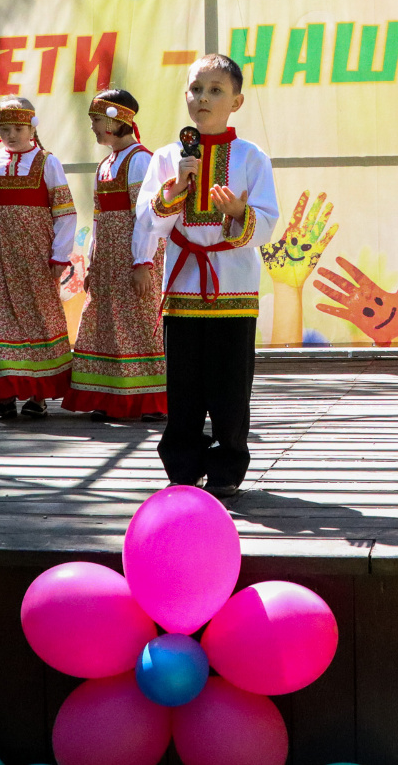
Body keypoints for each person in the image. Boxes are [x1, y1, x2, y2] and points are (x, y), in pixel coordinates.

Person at [132, 54, 278, 498]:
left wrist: (238, 213)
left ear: (236, 101)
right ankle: (182, 465)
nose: (203, 98)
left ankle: (226, 468)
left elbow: (269, 221)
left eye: (216, 90)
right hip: (181, 287)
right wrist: (172, 194)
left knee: (232, 385)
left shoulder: (252, 157)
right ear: (185, 96)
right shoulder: (165, 157)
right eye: (196, 89)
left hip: (233, 284)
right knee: (184, 384)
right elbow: (146, 221)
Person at [0, 97, 76, 418]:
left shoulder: (47, 162)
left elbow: (65, 213)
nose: (12, 134)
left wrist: (59, 255)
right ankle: (6, 393)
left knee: (40, 315)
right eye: (6, 128)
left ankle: (38, 395)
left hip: (35, 255)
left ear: (31, 128)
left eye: (19, 128)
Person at [62, 89, 168, 422]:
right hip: (108, 261)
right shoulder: (106, 164)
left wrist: (143, 263)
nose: (92, 127)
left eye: (95, 120)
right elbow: (97, 219)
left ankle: (150, 400)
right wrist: (92, 264)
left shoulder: (140, 160)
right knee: (105, 323)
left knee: (138, 323)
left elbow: (148, 219)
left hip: (134, 258)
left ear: (112, 121)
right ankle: (109, 394)